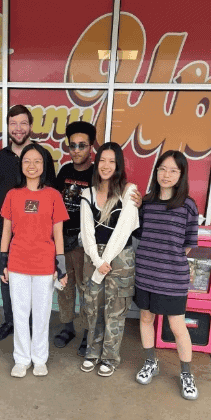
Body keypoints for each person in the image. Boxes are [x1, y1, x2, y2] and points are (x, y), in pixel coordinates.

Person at [0, 143, 68, 377]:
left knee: (41, 314)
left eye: (37, 161)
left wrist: (62, 266)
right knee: (19, 313)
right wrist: (3, 262)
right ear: (21, 165)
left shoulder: (53, 195)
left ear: (45, 165)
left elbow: (58, 233)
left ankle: (39, 359)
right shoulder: (12, 194)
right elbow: (6, 230)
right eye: (27, 161)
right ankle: (21, 359)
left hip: (44, 264)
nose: (32, 165)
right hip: (18, 263)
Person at [133, 150, 199, 400]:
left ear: (181, 175)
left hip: (173, 278)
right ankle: (151, 362)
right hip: (146, 274)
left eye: (173, 170)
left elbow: (187, 244)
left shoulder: (188, 205)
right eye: (162, 169)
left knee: (177, 326)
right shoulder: (147, 203)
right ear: (156, 171)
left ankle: (186, 373)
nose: (166, 174)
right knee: (146, 318)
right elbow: (139, 235)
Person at [0, 104, 57, 342]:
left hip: (36, 236)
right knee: (7, 279)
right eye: (13, 123)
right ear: (7, 127)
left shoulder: (42, 156)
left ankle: (31, 327)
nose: (18, 129)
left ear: (30, 126)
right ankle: (11, 322)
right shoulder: (1, 156)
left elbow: (51, 196)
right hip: (6, 231)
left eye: (23, 123)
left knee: (35, 285)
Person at [79, 142, 139, 376]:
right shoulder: (87, 194)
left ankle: (110, 357)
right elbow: (86, 232)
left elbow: (124, 231)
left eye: (111, 161)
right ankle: (92, 353)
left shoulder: (129, 191)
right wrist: (97, 261)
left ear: (119, 165)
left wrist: (105, 260)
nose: (106, 165)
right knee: (92, 308)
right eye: (102, 160)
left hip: (120, 259)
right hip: (93, 258)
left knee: (115, 309)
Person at [54, 121, 96, 356]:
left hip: (84, 245)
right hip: (61, 242)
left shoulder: (97, 174)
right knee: (64, 285)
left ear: (91, 147)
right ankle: (67, 327)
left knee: (86, 289)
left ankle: (87, 331)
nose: (77, 150)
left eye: (82, 145)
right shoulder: (64, 172)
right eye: (73, 146)